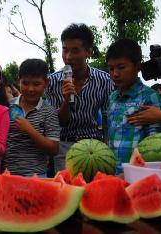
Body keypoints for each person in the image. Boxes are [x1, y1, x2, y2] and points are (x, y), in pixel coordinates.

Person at [45, 23, 114, 175]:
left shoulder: (104, 80)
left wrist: (107, 145)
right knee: (67, 190)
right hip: (63, 145)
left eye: (75, 51)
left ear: (88, 51)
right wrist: (66, 100)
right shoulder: (52, 82)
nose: (68, 57)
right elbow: (59, 122)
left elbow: (108, 117)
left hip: (94, 145)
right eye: (65, 50)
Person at [106, 38, 161, 174]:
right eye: (111, 68)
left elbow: (155, 147)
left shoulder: (150, 97)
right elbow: (110, 135)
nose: (115, 73)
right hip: (112, 174)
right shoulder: (112, 98)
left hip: (139, 173)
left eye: (121, 67)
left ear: (138, 66)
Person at [1, 59, 60, 177]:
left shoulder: (49, 112)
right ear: (19, 81)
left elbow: (54, 149)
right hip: (6, 175)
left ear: (46, 83)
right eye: (26, 83)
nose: (31, 89)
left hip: (37, 177)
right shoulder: (7, 106)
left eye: (37, 84)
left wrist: (30, 131)